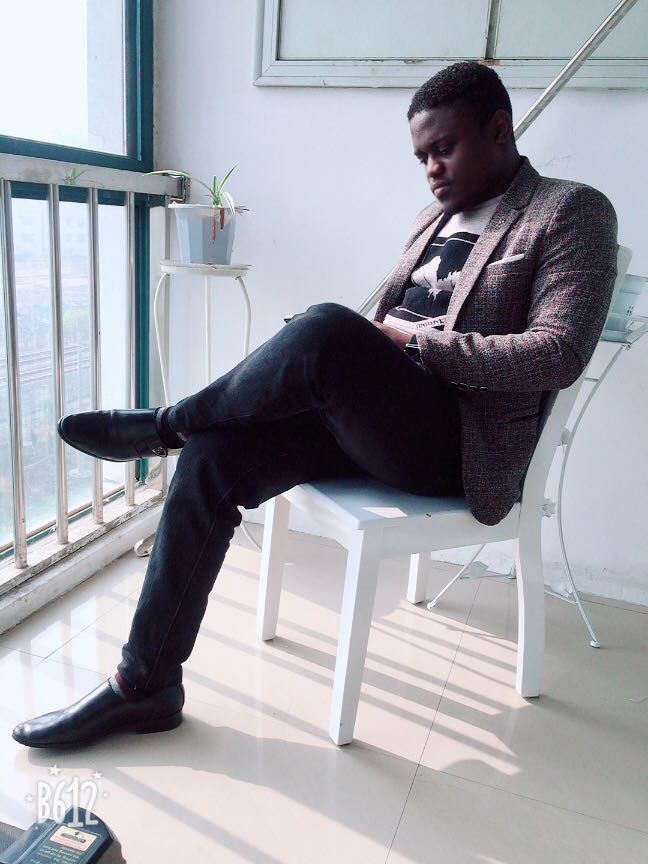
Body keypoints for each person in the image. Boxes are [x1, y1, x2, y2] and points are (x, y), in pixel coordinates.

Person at [12, 61, 617, 749]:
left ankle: (162, 425)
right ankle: (144, 684)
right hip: (376, 420)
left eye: (444, 149)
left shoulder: (570, 210)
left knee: (327, 327)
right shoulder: (433, 218)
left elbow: (558, 352)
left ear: (499, 129)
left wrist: (408, 344)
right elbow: (383, 328)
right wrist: (353, 350)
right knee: (216, 452)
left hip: (455, 442)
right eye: (421, 156)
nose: (431, 170)